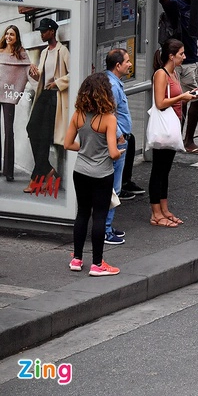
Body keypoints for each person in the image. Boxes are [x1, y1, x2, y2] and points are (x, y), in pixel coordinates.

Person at [64, 72, 124, 277]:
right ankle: (97, 264)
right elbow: (113, 152)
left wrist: (86, 148)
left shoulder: (78, 115)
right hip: (102, 173)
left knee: (82, 213)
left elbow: (67, 143)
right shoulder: (109, 119)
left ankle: (77, 258)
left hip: (80, 170)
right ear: (105, 93)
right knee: (99, 216)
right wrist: (119, 151)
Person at [150, 38, 197, 228]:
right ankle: (155, 213)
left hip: (173, 125)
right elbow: (160, 103)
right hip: (163, 128)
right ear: (171, 56)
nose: (184, 57)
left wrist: (187, 97)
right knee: (158, 170)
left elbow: (173, 99)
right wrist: (181, 97)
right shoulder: (161, 74)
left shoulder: (174, 73)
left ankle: (164, 208)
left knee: (166, 170)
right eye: (181, 54)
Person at [160, 0, 198, 154]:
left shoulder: (197, 4)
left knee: (186, 100)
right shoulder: (175, 5)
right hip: (181, 62)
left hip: (192, 59)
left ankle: (182, 138)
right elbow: (163, 0)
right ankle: (184, 140)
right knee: (191, 98)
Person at [25, 18, 70, 192]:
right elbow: (41, 77)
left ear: (52, 31)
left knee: (44, 137)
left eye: (44, 31)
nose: (42, 34)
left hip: (55, 97)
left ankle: (36, 180)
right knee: (31, 129)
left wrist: (58, 82)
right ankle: (47, 169)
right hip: (44, 94)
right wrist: (34, 74)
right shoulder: (44, 52)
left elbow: (74, 72)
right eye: (41, 31)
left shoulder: (63, 51)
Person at [103, 49, 132, 246]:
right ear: (118, 65)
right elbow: (109, 113)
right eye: (127, 61)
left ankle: (107, 226)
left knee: (113, 187)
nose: (130, 64)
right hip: (117, 142)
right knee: (114, 188)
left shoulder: (110, 81)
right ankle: (105, 230)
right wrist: (120, 135)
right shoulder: (113, 86)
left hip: (118, 139)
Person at [0, 25, 31, 182]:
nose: (8, 36)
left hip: (9, 96)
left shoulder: (22, 54)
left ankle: (9, 171)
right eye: (7, 34)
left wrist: (37, 75)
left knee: (9, 131)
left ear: (17, 37)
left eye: (11, 34)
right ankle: (1, 168)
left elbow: (28, 75)